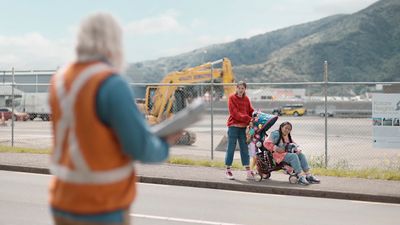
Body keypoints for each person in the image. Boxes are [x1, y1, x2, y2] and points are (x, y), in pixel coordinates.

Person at [47, 12, 182, 225]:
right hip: (101, 205)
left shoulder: (60, 80)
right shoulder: (111, 83)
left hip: (62, 199)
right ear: (113, 42)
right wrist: (165, 143)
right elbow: (140, 148)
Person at [225, 81, 254, 180]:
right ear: (236, 88)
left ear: (245, 89)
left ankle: (248, 171)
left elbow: (251, 111)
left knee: (245, 149)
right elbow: (235, 114)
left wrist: (256, 115)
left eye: (243, 88)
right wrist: (248, 119)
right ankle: (228, 170)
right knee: (231, 148)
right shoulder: (231, 98)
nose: (241, 90)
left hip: (243, 129)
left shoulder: (246, 99)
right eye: (239, 88)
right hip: (233, 126)